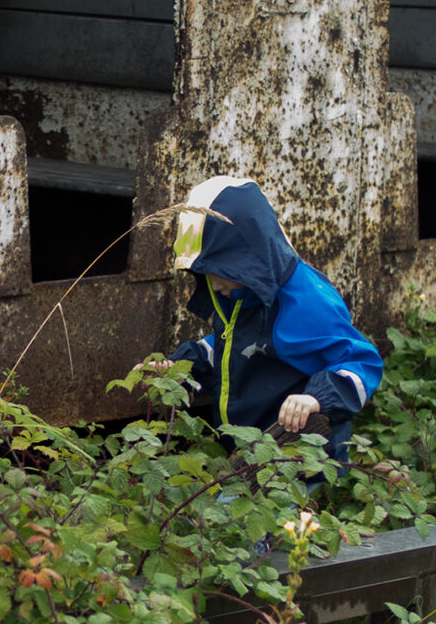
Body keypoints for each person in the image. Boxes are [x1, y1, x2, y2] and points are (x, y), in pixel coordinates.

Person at [156, 175, 383, 460]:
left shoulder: (302, 304)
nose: (212, 284)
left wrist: (315, 399)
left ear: (246, 257)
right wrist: (177, 366)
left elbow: (362, 362)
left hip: (299, 463)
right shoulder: (244, 294)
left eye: (217, 269)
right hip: (252, 455)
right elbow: (234, 347)